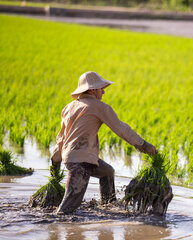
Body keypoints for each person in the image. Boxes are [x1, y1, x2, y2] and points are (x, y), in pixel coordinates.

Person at [51, 71, 156, 214]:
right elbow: (120, 128)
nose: (104, 92)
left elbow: (61, 138)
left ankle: (109, 207)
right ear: (93, 90)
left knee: (107, 172)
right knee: (67, 209)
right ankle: (53, 225)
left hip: (74, 157)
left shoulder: (69, 107)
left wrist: (55, 161)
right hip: (81, 162)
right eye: (101, 88)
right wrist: (143, 145)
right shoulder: (99, 107)